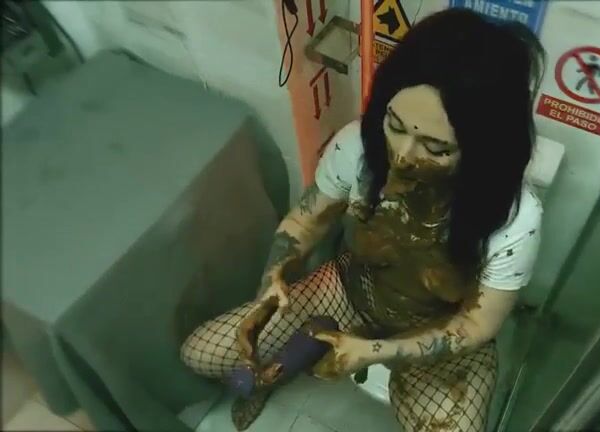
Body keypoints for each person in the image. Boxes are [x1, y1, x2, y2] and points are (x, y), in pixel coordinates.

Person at [181, 8, 545, 432]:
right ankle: (293, 357)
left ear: (484, 149)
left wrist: (373, 351)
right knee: (201, 354)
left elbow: (477, 323)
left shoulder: (515, 216)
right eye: (395, 125)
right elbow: (305, 222)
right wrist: (272, 281)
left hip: (440, 325)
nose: (403, 155)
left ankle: (321, 344)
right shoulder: (357, 146)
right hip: (352, 289)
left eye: (435, 148)